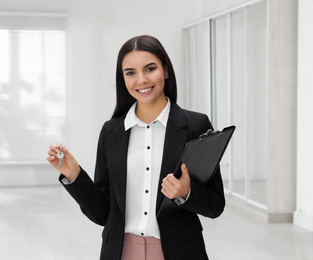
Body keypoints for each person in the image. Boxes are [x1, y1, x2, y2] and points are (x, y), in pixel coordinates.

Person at [47, 35, 225, 260]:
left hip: (179, 251)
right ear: (123, 79)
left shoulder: (196, 125)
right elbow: (103, 213)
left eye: (150, 69)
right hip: (121, 251)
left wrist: (186, 193)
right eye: (130, 73)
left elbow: (216, 205)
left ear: (166, 70)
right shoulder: (111, 131)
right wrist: (74, 176)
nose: (141, 80)